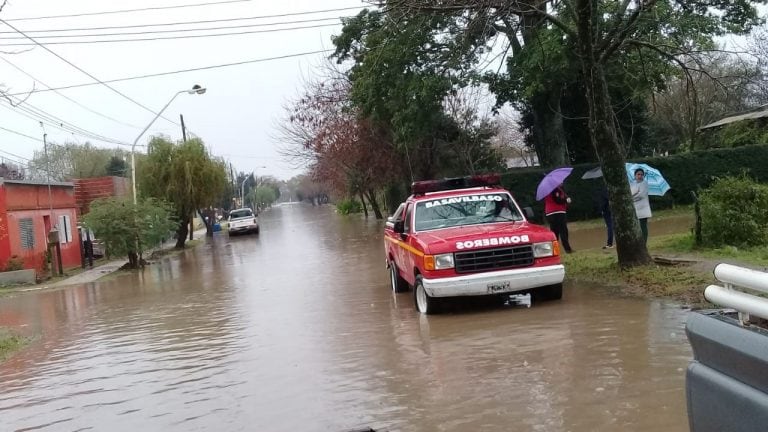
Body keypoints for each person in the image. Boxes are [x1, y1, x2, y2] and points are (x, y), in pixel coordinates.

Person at [544, 183, 573, 253]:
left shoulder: (547, 190)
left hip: (549, 213)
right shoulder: (555, 189)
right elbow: (558, 200)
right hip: (558, 212)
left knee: (554, 232)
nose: (562, 182)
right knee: (563, 231)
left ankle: (555, 251)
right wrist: (566, 200)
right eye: (561, 181)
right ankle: (567, 249)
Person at [631, 168, 652, 244]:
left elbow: (641, 195)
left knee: (643, 227)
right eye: (638, 174)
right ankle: (638, 243)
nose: (640, 176)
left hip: (643, 209)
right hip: (635, 209)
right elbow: (630, 193)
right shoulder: (632, 183)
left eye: (641, 174)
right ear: (635, 175)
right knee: (636, 228)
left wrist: (631, 198)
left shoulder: (645, 183)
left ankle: (644, 243)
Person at [595, 184, 613, 249]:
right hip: (611, 209)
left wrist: (602, 210)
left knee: (610, 226)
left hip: (606, 210)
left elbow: (604, 201)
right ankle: (610, 243)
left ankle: (609, 244)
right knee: (611, 226)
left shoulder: (603, 189)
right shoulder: (611, 188)